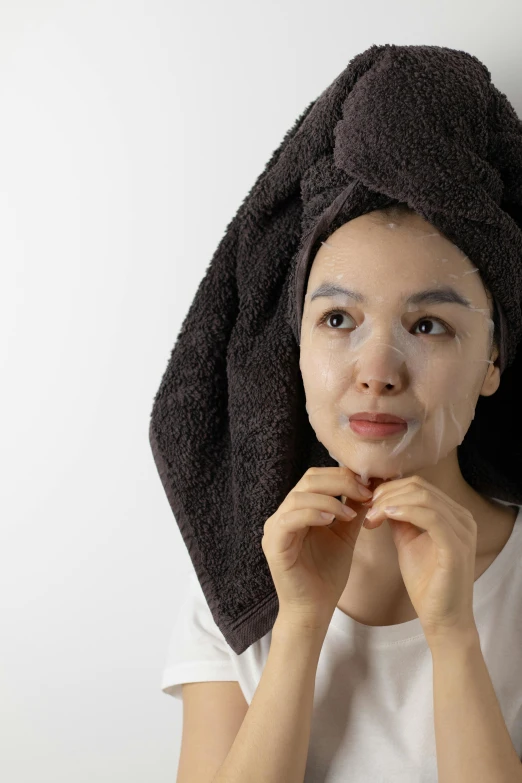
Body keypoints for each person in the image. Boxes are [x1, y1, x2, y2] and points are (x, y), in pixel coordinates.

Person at [161, 204, 522, 783]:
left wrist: (454, 637)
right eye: (337, 319)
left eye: (428, 324)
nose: (377, 370)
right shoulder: (234, 585)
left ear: (491, 362)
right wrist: (300, 625)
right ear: (298, 350)